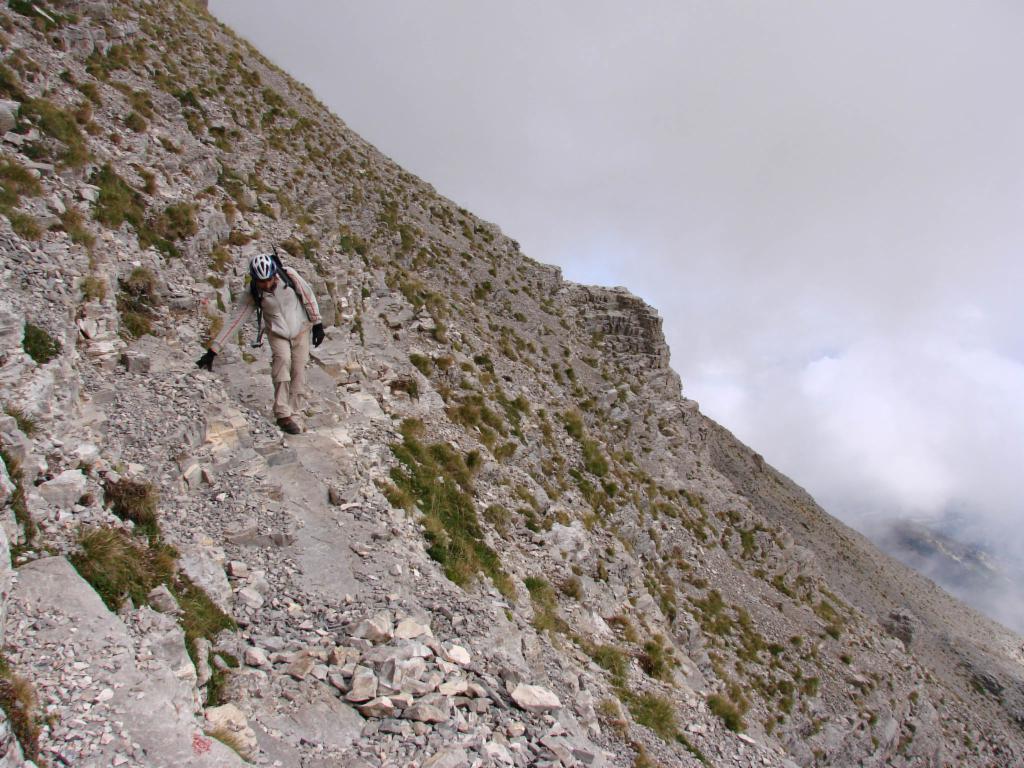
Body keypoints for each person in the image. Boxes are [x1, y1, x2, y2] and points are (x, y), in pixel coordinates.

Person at [196, 252, 325, 434]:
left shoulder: (289, 276)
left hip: (301, 329)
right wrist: (213, 350)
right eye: (261, 281)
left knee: (298, 369)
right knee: (282, 362)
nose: (266, 284)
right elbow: (236, 320)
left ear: (274, 274)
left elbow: (308, 296)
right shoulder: (253, 293)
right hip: (277, 333)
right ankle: (282, 415)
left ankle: (294, 413)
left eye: (269, 280)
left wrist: (318, 323)